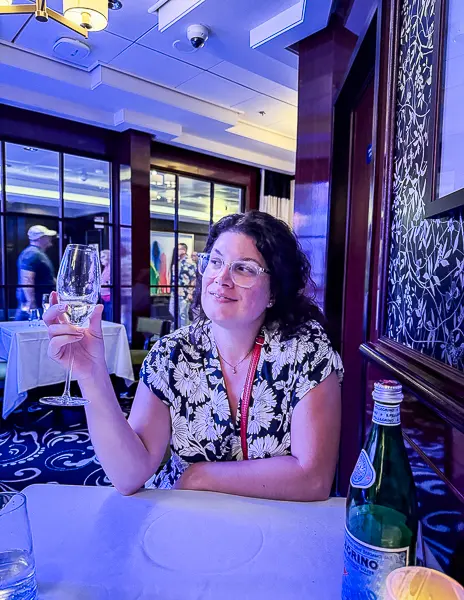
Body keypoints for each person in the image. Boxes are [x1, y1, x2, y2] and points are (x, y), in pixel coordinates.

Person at [44, 211, 343, 501]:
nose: (221, 278)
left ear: (274, 292)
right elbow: (128, 475)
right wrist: (90, 373)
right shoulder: (171, 355)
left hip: (274, 526)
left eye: (244, 268)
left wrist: (199, 477)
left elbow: (313, 477)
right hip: (184, 520)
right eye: (215, 262)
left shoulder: (306, 353)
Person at [16, 225, 57, 321]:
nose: (50, 238)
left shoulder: (35, 253)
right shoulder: (33, 254)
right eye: (47, 236)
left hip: (39, 306)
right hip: (35, 307)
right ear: (40, 238)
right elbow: (27, 279)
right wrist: (32, 304)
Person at [169, 243, 196, 327]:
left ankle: (185, 333)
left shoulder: (190, 263)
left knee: (183, 314)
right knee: (172, 310)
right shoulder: (177, 262)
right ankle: (178, 329)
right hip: (174, 292)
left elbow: (194, 279)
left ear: (184, 250)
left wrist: (190, 293)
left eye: (178, 249)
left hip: (184, 293)